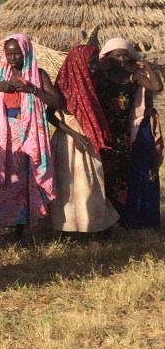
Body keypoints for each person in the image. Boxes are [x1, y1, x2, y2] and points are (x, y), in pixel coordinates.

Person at [0, 34, 63, 245]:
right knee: (3, 181)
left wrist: (32, 90)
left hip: (28, 136)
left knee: (24, 183)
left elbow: (57, 102)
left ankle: (20, 229)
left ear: (26, 51)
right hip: (3, 138)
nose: (14, 57)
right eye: (9, 53)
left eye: (17, 52)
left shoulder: (38, 75)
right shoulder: (0, 76)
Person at [46, 45, 119, 239]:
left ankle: (94, 227)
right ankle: (67, 229)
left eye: (95, 62)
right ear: (78, 62)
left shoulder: (91, 82)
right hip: (69, 141)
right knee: (68, 187)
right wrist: (74, 135)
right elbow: (49, 116)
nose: (94, 66)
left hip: (87, 139)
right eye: (91, 62)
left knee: (92, 183)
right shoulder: (63, 85)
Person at [96, 38, 163, 230]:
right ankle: (107, 218)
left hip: (126, 131)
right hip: (105, 130)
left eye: (126, 55)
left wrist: (147, 66)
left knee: (123, 175)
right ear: (108, 58)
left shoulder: (133, 77)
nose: (123, 59)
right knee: (107, 175)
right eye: (117, 55)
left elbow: (157, 87)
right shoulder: (102, 77)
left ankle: (124, 217)